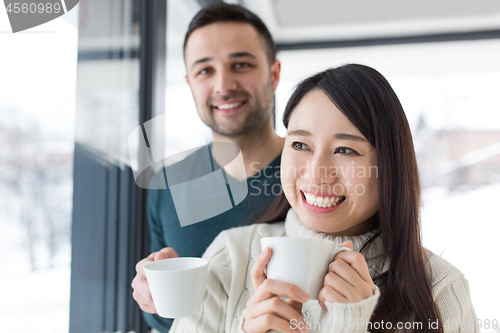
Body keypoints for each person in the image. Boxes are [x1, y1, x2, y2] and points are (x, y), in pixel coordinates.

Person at [168, 64, 478, 333]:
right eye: (300, 144)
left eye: (345, 150)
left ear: (389, 167)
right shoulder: (231, 257)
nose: (316, 174)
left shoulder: (441, 290)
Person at [131, 3, 284, 332]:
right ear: (189, 84)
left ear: (273, 74)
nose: (223, 84)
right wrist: (152, 298)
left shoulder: (314, 175)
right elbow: (167, 320)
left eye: (240, 64)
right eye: (205, 70)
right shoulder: (167, 184)